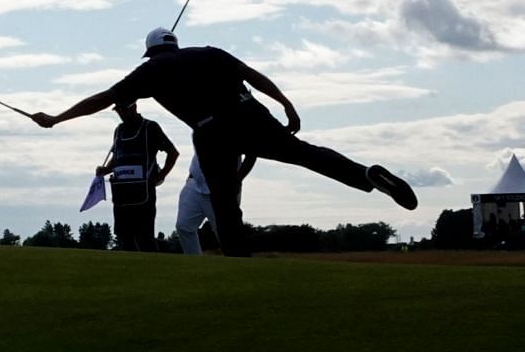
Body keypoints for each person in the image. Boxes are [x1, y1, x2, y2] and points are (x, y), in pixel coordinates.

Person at [31, 27, 418, 257]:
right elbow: (255, 75)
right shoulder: (211, 53)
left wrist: (57, 118)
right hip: (251, 113)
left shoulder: (150, 71)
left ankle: (238, 260)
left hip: (213, 130)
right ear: (176, 45)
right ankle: (366, 175)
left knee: (223, 198)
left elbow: (103, 99)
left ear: (151, 51)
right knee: (306, 155)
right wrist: (287, 104)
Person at [96, 99, 177, 252]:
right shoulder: (118, 130)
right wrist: (105, 169)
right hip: (121, 193)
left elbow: (173, 152)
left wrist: (161, 175)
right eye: (118, 111)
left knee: (145, 237)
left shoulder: (150, 127)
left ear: (134, 106)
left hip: (143, 192)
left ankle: (154, 271)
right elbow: (118, 156)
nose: (121, 114)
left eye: (123, 110)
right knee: (124, 237)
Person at [174, 152, 255, 256]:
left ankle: (239, 265)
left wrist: (238, 180)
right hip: (195, 183)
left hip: (223, 189)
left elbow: (252, 155)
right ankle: (195, 263)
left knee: (226, 234)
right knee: (183, 226)